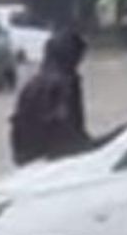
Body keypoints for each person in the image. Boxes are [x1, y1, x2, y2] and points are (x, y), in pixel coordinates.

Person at [9, 30, 91, 167]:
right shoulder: (66, 83)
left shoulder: (31, 84)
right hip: (56, 162)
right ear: (71, 57)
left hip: (27, 159)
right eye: (79, 57)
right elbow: (67, 129)